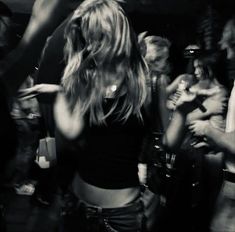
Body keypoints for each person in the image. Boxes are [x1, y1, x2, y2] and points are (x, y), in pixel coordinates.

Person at [50, 0, 155, 231]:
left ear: (116, 34)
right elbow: (66, 136)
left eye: (98, 35)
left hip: (121, 216)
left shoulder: (145, 85)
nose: (92, 45)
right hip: (77, 205)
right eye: (88, 37)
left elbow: (161, 141)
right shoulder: (83, 79)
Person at [188, 17, 235, 232]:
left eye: (232, 48)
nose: (229, 55)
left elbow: (189, 118)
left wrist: (208, 130)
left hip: (224, 170)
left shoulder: (220, 93)